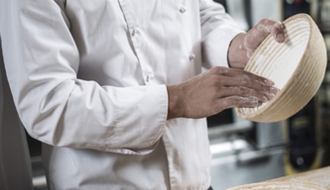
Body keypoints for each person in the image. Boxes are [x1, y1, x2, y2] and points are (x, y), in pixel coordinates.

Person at [0, 0, 285, 189]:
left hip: (195, 178)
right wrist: (177, 100)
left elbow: (199, 11)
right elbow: (48, 104)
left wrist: (236, 45)